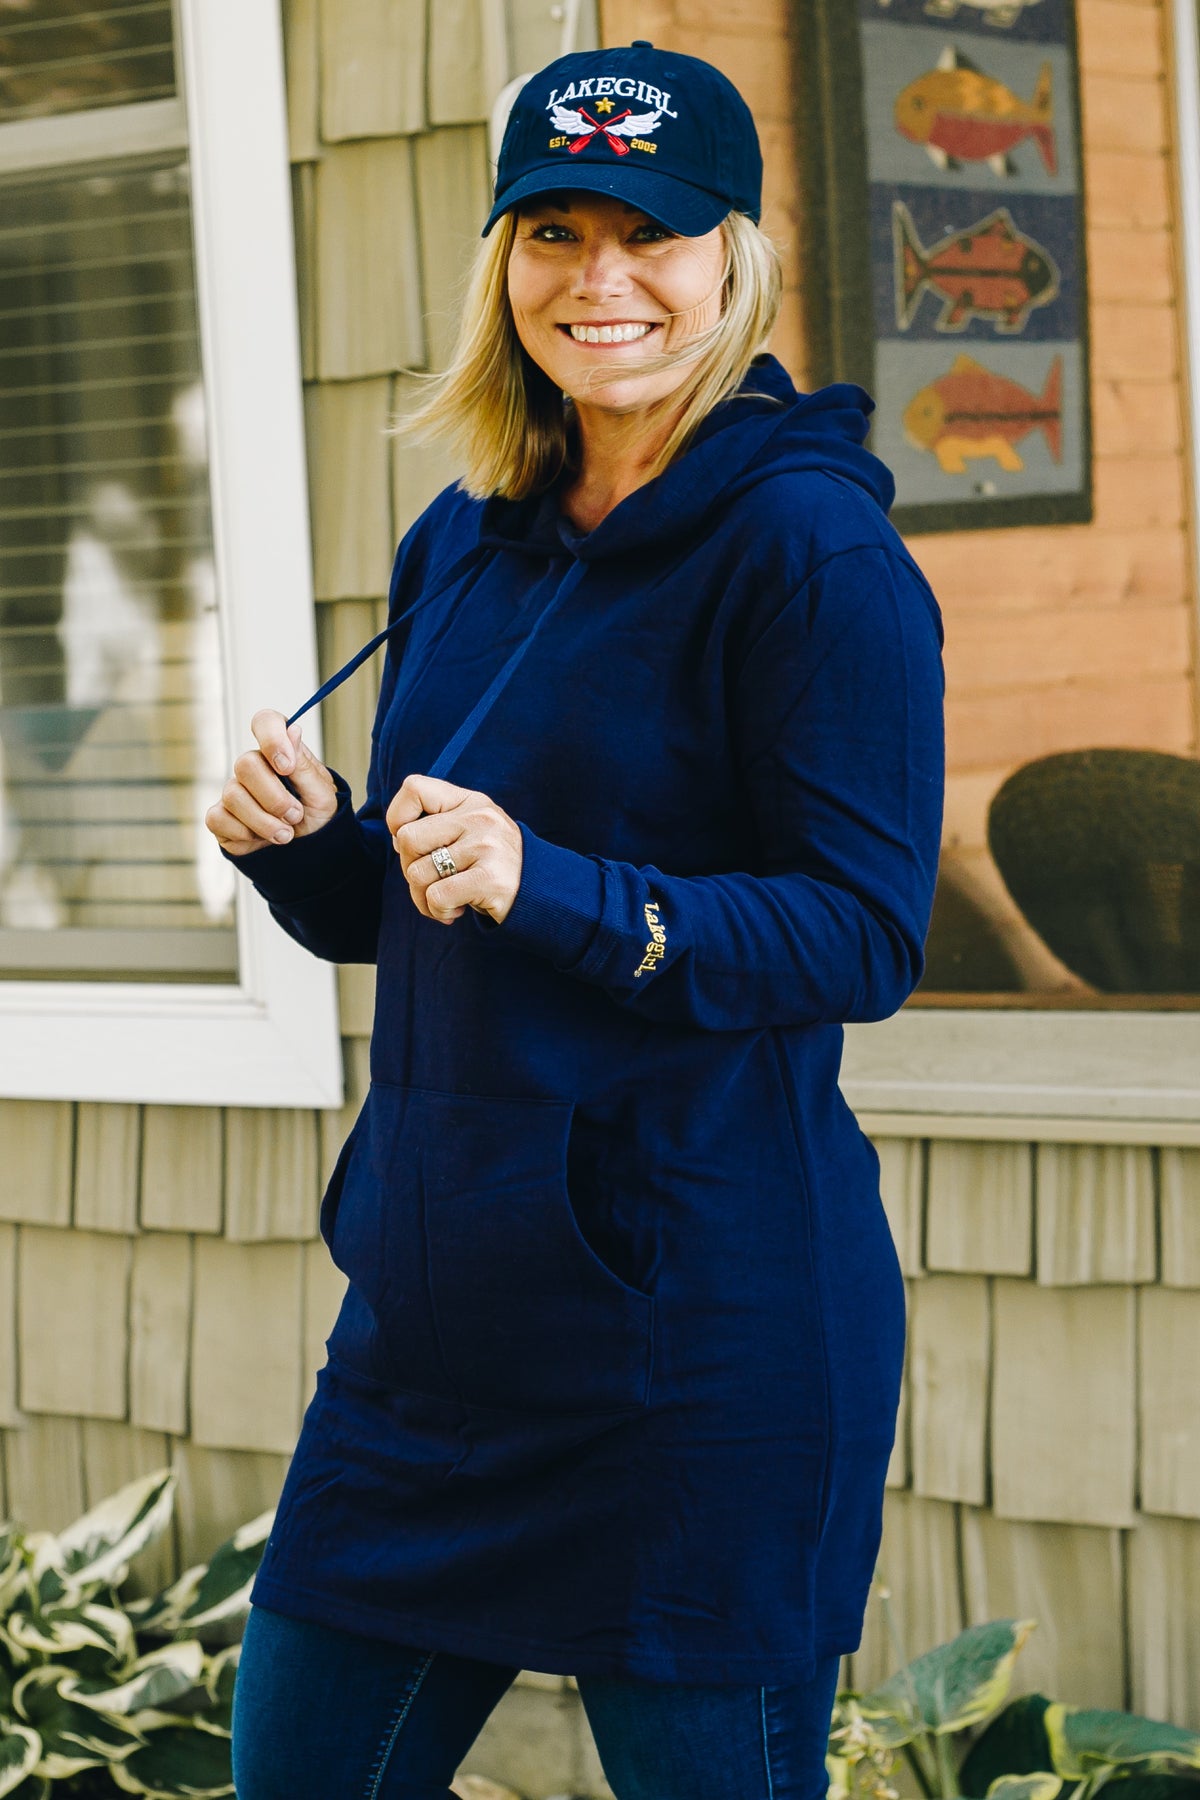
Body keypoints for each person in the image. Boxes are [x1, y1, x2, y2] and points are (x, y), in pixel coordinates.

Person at [211, 39, 945, 1800]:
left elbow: (861, 936)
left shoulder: (812, 554)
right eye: (554, 231)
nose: (600, 279)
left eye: (650, 233)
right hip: (436, 1331)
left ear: (732, 257)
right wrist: (313, 850)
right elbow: (428, 914)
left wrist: (553, 884)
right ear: (505, 260)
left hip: (696, 1342)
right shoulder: (466, 539)